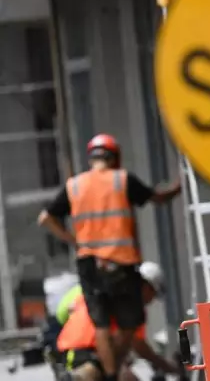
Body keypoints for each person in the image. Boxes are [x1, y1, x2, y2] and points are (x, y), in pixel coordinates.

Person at [38, 134, 182, 381]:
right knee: (131, 322)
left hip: (89, 264)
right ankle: (110, 375)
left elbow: (46, 218)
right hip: (120, 262)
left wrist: (74, 241)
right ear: (115, 157)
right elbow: (158, 198)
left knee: (101, 325)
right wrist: (179, 186)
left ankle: (109, 374)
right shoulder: (121, 179)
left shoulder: (74, 185)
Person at [55, 261, 182, 381]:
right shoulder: (132, 306)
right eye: (153, 294)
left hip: (67, 354)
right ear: (147, 287)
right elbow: (139, 347)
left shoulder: (99, 291)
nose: (151, 300)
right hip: (89, 356)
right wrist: (169, 368)